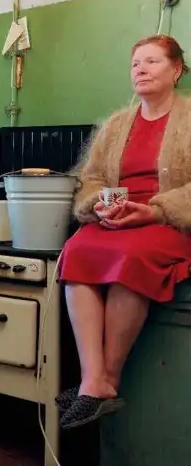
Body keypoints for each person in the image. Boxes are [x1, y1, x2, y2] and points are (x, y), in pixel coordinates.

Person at [57, 35, 191, 429]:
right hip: (116, 219)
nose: (141, 70)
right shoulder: (116, 124)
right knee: (77, 250)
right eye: (135, 64)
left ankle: (107, 379)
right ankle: (92, 379)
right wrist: (97, 204)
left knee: (131, 256)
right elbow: (92, 178)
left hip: (168, 222)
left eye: (151, 61)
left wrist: (154, 210)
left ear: (176, 70)